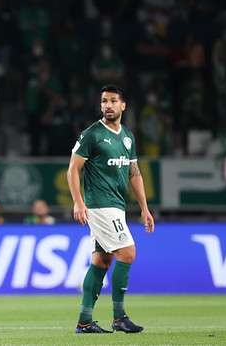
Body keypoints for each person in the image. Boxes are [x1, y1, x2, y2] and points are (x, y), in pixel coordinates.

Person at [67, 85, 155, 334]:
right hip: (100, 205)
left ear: (123, 106)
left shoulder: (127, 136)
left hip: (117, 205)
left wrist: (144, 208)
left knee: (101, 261)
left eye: (113, 101)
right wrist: (78, 201)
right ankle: (119, 317)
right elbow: (73, 169)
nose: (108, 105)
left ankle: (84, 322)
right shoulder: (92, 134)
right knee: (127, 253)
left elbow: (134, 173)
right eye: (104, 101)